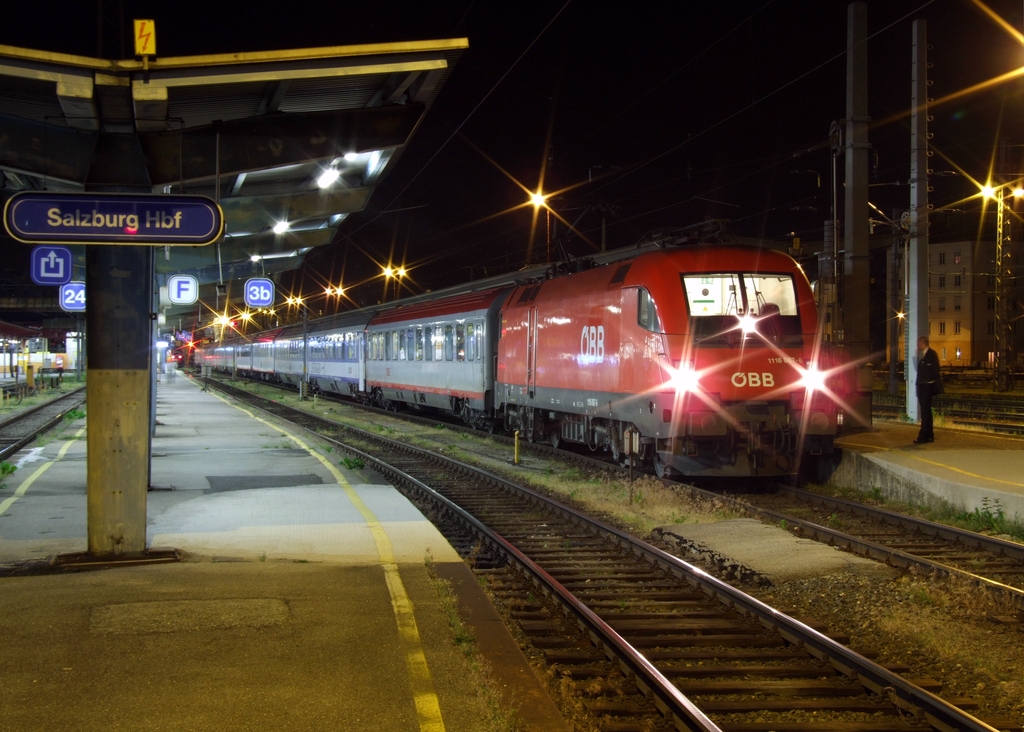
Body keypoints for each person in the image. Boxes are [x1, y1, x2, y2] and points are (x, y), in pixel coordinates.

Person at [914, 335, 940, 444]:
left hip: (926, 387)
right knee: (927, 413)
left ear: (922, 343)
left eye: (918, 343)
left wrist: (929, 381)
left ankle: (923, 436)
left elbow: (935, 370)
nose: (917, 346)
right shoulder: (923, 356)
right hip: (923, 387)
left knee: (925, 413)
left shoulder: (931, 355)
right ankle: (929, 435)